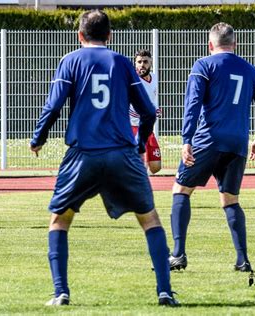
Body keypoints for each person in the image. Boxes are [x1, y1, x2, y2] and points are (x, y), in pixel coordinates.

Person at [30, 9, 179, 307]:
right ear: (110, 36)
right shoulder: (123, 63)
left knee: (60, 220)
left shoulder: (70, 61)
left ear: (79, 35)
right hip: (122, 153)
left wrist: (39, 138)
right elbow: (148, 112)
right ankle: (164, 291)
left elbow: (54, 105)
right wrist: (139, 144)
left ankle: (61, 292)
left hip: (82, 154)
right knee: (149, 219)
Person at [169, 22, 255, 272]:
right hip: (237, 142)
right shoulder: (250, 70)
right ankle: (242, 260)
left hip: (208, 139)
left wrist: (187, 139)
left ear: (210, 44)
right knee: (230, 200)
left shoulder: (204, 65)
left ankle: (177, 255)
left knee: (181, 190)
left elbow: (193, 104)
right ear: (235, 44)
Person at [130, 49, 162, 174]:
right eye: (139, 62)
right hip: (132, 127)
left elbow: (152, 99)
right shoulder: (131, 80)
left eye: (145, 62)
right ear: (135, 63)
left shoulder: (154, 78)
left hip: (147, 127)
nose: (142, 64)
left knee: (155, 167)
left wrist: (156, 110)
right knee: (139, 164)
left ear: (150, 63)